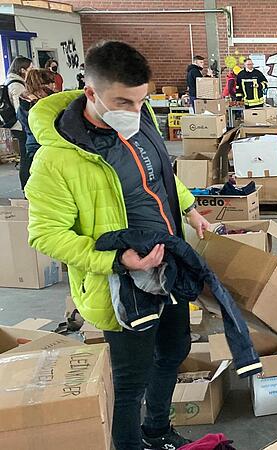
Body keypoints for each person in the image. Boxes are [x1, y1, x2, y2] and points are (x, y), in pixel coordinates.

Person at [26, 41, 212, 450]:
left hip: (169, 265)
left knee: (174, 350)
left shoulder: (141, 123)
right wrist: (116, 259)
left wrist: (190, 208)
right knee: (131, 381)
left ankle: (158, 431)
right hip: (122, 286)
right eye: (122, 102)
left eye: (140, 101)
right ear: (90, 93)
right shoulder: (56, 161)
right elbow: (45, 234)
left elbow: (159, 177)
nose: (133, 112)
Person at [16, 68, 55, 190]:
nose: (53, 86)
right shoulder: (44, 104)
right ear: (41, 86)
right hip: (43, 145)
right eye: (50, 83)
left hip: (32, 144)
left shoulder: (23, 104)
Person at [4, 56, 31, 186]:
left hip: (18, 125)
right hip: (21, 126)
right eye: (30, 68)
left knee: (26, 157)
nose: (32, 70)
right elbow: (19, 109)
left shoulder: (13, 82)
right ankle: (26, 186)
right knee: (26, 158)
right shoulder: (17, 85)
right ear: (22, 70)